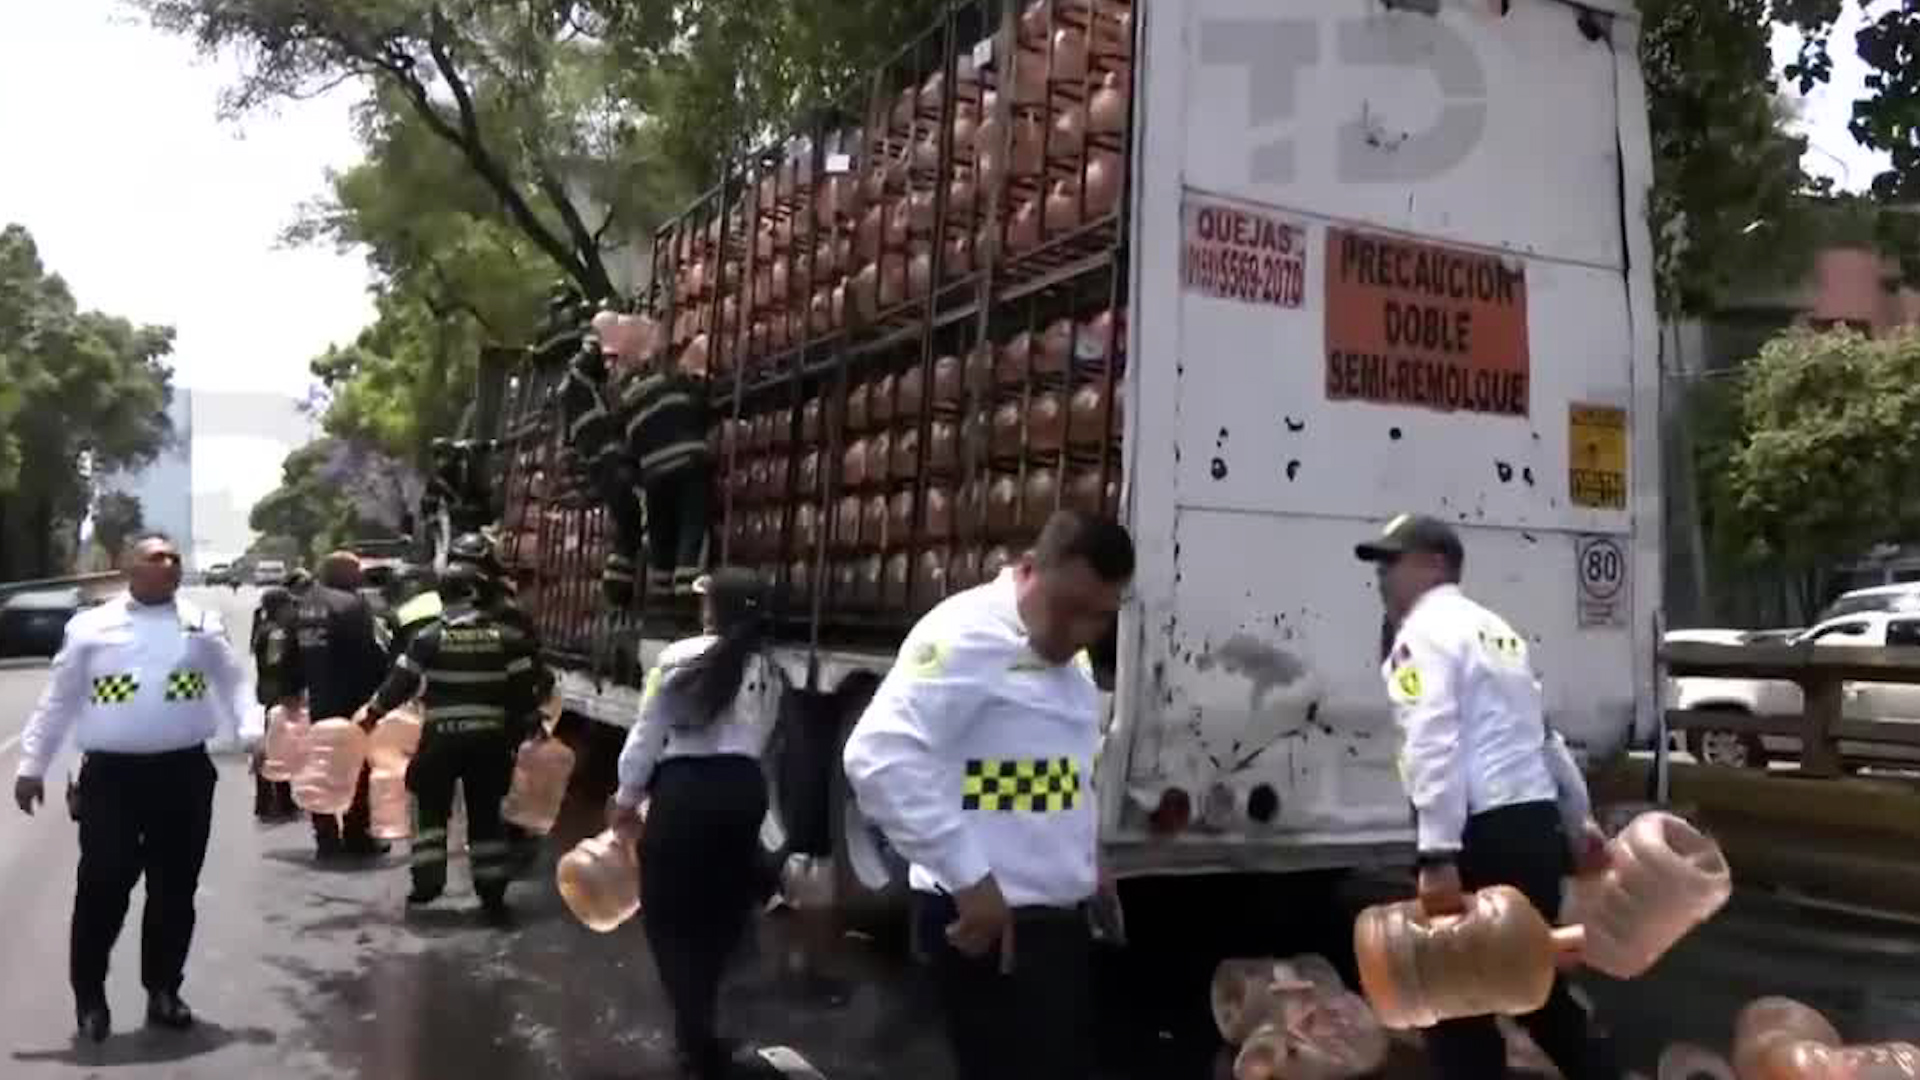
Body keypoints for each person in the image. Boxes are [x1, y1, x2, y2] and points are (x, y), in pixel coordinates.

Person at [842, 510, 1135, 1080]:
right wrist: (970, 879)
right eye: (1068, 611)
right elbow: (877, 759)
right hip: (991, 926)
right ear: (1028, 570)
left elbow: (1060, 773)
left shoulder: (1062, 652)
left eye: (1099, 618)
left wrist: (1089, 861)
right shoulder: (966, 634)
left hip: (1052, 925)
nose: (1079, 633)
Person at [1354, 513, 1620, 1080]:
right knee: (1533, 983)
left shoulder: (1421, 635)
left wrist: (1437, 854)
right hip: (1532, 829)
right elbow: (1543, 737)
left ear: (1435, 563)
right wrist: (1579, 822)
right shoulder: (1499, 633)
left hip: (1480, 833)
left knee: (1454, 1003)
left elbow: (1432, 743)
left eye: (1391, 561)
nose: (1381, 577)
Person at [11, 533, 249, 1042]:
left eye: (174, 558)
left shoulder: (202, 624)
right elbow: (59, 700)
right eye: (156, 557)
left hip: (183, 775)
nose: (169, 564)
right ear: (129, 568)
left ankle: (163, 989)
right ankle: (90, 996)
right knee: (104, 883)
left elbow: (233, 684)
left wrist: (253, 733)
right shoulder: (91, 628)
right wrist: (32, 765)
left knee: (173, 889)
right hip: (112, 780)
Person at [607, 568, 786, 1080]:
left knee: (668, 911)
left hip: (687, 790)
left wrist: (626, 796)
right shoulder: (769, 668)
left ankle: (694, 1029)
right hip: (742, 791)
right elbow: (767, 742)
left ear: (717, 608)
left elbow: (647, 732)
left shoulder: (676, 658)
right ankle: (705, 1021)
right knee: (720, 909)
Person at [358, 561, 543, 924]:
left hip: (441, 741)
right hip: (490, 743)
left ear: (442, 597)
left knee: (430, 810)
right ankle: (491, 891)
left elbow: (400, 684)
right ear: (477, 595)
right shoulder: (509, 639)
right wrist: (529, 729)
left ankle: (427, 884)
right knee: (487, 815)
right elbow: (526, 694)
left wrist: (372, 715)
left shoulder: (428, 638)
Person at [284, 551, 389, 859]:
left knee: (321, 769)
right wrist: (381, 699)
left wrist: (290, 693)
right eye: (356, 570)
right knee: (358, 769)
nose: (361, 576)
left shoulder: (301, 607)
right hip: (351, 701)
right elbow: (369, 656)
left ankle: (326, 839)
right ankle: (357, 836)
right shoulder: (352, 605)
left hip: (318, 702)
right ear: (342, 574)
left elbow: (290, 657)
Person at [617, 348, 713, 596]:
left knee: (662, 533)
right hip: (689, 462)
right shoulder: (675, 383)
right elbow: (703, 406)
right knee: (692, 525)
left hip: (654, 474)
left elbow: (628, 452)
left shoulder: (628, 404)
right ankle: (687, 590)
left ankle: (661, 595)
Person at [250, 587, 300, 822]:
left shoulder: (265, 628)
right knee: (277, 747)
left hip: (270, 692)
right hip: (278, 694)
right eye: (290, 605)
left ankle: (273, 800)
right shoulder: (276, 632)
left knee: (277, 745)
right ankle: (275, 801)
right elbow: (276, 663)